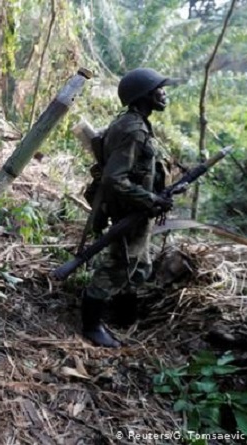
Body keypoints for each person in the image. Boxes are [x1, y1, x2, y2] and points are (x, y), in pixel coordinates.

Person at [81, 68, 173, 348]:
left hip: (136, 209)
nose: (164, 93)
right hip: (129, 210)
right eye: (158, 89)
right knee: (117, 266)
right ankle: (91, 325)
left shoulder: (136, 123)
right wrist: (151, 200)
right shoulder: (133, 130)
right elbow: (114, 178)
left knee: (139, 264)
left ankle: (124, 316)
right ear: (144, 95)